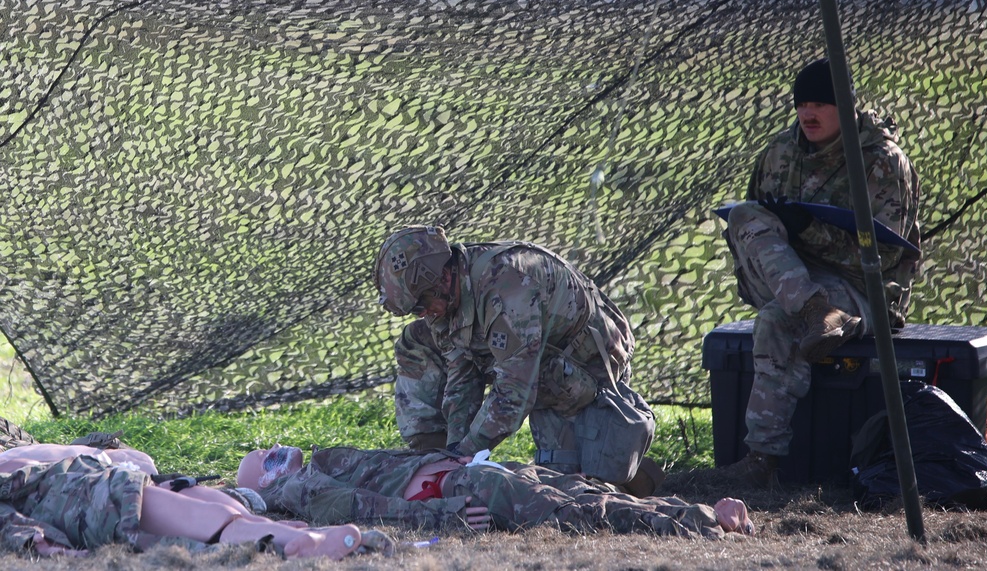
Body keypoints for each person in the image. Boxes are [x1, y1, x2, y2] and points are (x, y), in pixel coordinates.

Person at [718, 58, 921, 486]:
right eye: (802, 103)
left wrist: (810, 229)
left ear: (845, 108)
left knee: (775, 319)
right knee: (745, 216)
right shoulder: (780, 151)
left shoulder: (881, 161)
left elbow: (883, 257)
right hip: (792, 279)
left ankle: (761, 462)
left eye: (820, 104)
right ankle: (812, 307)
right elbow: (754, 226)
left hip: (859, 288)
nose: (808, 113)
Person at [374, 226, 664, 497]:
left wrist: (472, 449)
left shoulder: (507, 287)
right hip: (542, 362)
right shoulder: (447, 301)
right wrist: (454, 451)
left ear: (443, 279)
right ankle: (610, 463)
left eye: (421, 305)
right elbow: (462, 375)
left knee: (572, 490)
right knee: (557, 481)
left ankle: (628, 469)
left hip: (590, 364)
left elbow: (515, 390)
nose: (422, 314)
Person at [236, 444, 754, 538]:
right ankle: (699, 521)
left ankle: (698, 511)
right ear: (265, 480)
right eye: (263, 457)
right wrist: (445, 516)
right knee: (578, 513)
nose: (273, 448)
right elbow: (364, 508)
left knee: (581, 493)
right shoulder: (298, 489)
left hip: (471, 470)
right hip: (463, 487)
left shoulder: (319, 460)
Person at [0, 442, 369, 559]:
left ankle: (270, 531)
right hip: (87, 495)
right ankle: (293, 542)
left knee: (186, 508)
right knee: (199, 516)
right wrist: (41, 543)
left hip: (91, 490)